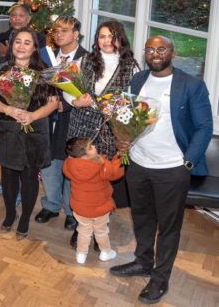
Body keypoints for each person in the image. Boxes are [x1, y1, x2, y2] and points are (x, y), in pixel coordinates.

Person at [109, 35, 213, 304]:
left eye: (161, 49)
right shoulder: (138, 80)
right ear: (145, 53)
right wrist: (124, 139)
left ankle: (160, 278)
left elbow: (204, 128)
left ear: (172, 53)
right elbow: (130, 118)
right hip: (139, 164)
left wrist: (187, 162)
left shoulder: (191, 85)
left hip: (172, 169)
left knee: (168, 227)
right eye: (150, 49)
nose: (155, 53)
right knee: (142, 218)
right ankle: (143, 262)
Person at [0, 27, 58, 240]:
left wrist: (32, 116)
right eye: (18, 41)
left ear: (35, 47)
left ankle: (24, 218)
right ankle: (9, 213)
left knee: (29, 176)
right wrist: (9, 109)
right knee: (8, 175)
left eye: (27, 42)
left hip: (35, 130)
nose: (21, 46)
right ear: (12, 44)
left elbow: (53, 103)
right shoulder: (0, 70)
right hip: (9, 129)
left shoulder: (45, 72)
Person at [66, 21, 138, 214]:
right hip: (81, 128)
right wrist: (75, 101)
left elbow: (133, 103)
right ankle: (78, 219)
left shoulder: (131, 67)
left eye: (112, 36)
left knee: (102, 178)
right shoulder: (85, 60)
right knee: (80, 177)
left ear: (120, 39)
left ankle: (101, 219)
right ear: (96, 40)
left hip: (108, 133)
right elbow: (68, 87)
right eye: (102, 36)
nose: (106, 41)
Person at [34, 17, 87, 230]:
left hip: (73, 119)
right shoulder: (47, 56)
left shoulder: (87, 59)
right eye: (56, 30)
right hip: (48, 117)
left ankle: (71, 210)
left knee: (70, 165)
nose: (59, 34)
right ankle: (51, 204)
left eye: (65, 30)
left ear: (76, 34)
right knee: (49, 162)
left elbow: (88, 91)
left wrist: (67, 104)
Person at [62, 137, 122, 264]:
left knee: (83, 231)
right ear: (84, 155)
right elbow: (115, 173)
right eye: (90, 147)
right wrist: (119, 157)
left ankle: (81, 254)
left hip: (80, 208)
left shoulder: (69, 164)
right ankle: (105, 252)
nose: (94, 146)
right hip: (100, 207)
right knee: (101, 231)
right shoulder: (100, 165)